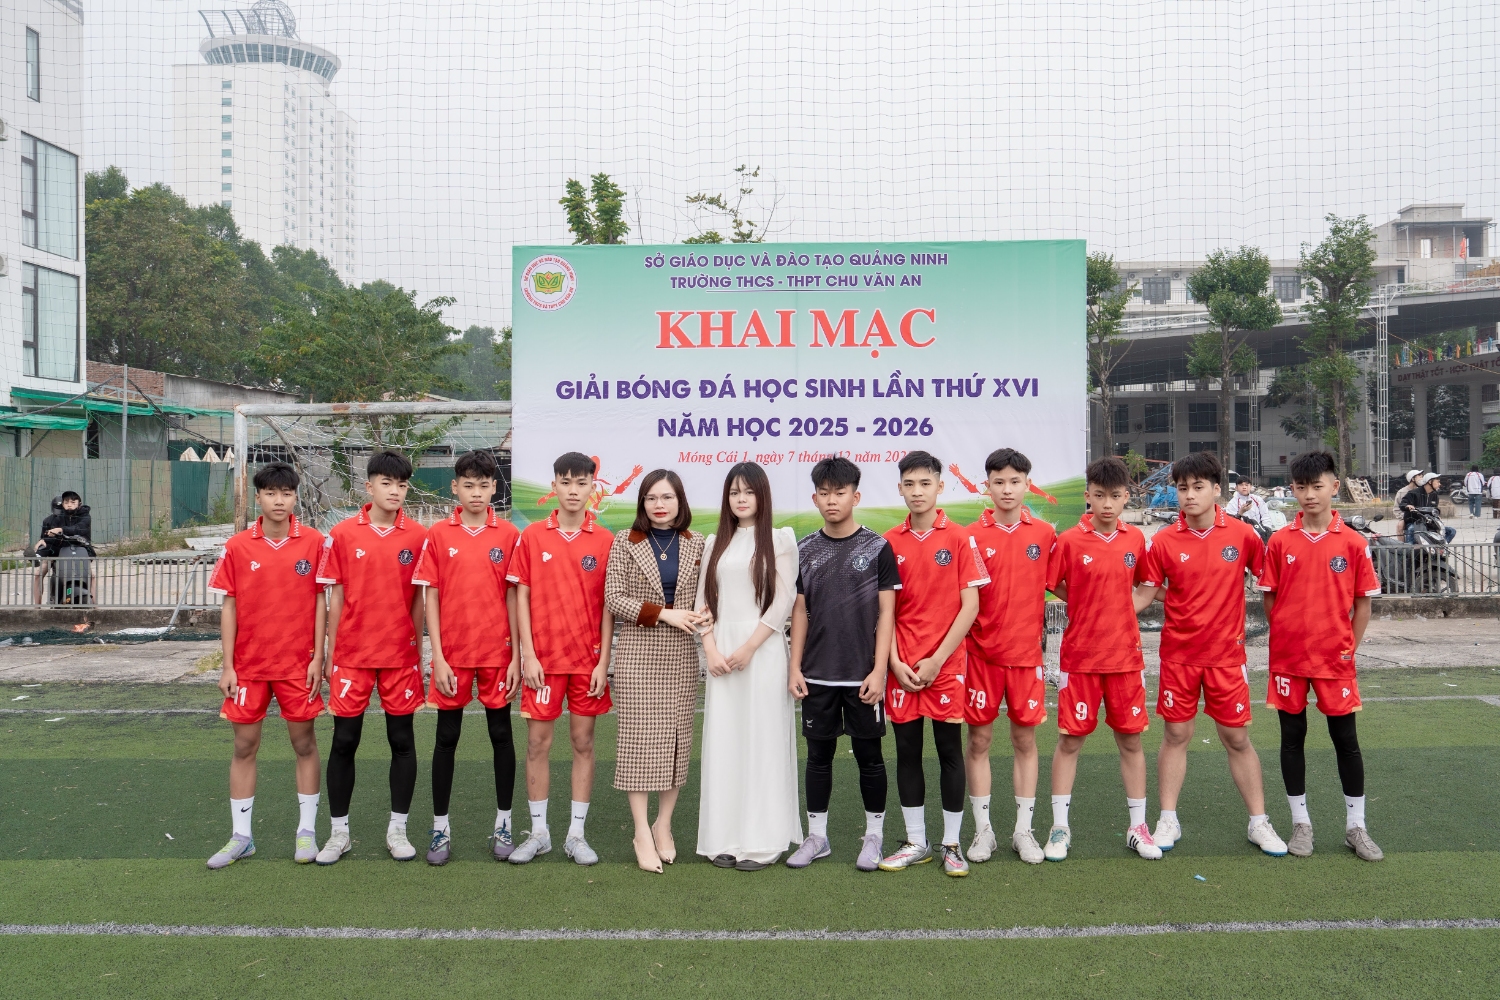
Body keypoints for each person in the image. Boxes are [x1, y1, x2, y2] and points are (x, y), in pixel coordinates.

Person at [1134, 451, 1288, 857]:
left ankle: (1259, 822)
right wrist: (1098, 607)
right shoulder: (1163, 541)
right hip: (1179, 656)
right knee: (1176, 735)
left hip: (1227, 658)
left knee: (1237, 738)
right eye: (1182, 488)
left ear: (1217, 490)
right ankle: (1168, 819)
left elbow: (1270, 581)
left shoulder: (1242, 535)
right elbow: (1145, 592)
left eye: (1198, 487)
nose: (1189, 495)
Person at [1258, 450, 1383, 861]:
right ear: (1292, 490)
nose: (1309, 494)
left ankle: (1356, 827)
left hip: (1335, 660)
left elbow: (1363, 604)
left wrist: (1348, 648)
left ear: (1334, 486)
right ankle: (1301, 824)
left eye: (1317, 486)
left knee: (1346, 740)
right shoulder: (1280, 541)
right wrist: (1287, 634)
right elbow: (1270, 598)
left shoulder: (1353, 542)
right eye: (1301, 487)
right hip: (1289, 660)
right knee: (1292, 738)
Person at [205, 463, 326, 869]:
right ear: (257, 497)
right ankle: (241, 837)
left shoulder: (314, 542)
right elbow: (229, 606)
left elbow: (321, 602)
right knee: (244, 746)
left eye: (286, 493)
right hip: (249, 667)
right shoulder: (238, 546)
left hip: (297, 666)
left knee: (304, 744)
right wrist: (227, 666)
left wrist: (318, 657)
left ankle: (306, 832)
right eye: (271, 493)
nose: (279, 500)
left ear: (295, 497)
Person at [314, 450, 429, 865]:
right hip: (353, 655)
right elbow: (336, 596)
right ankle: (339, 833)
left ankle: (398, 829)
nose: (395, 491)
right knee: (344, 741)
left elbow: (418, 601)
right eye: (387, 483)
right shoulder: (343, 534)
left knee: (402, 740)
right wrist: (331, 651)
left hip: (399, 656)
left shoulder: (418, 537)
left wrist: (416, 649)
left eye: (402, 485)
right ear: (369, 486)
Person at [877, 452, 988, 877]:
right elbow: (884, 611)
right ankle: (915, 841)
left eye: (925, 483)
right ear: (900, 489)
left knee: (949, 752)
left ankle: (952, 844)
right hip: (902, 667)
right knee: (907, 752)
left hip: (945, 666)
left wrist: (937, 660)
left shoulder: (959, 538)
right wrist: (894, 662)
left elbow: (970, 606)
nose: (917, 491)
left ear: (940, 487)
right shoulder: (888, 541)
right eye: (909, 484)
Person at [785, 457, 897, 872]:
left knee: (870, 756)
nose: (832, 500)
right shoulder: (804, 549)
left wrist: (879, 671)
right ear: (815, 498)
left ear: (856, 496)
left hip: (863, 675)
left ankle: (874, 836)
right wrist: (794, 667)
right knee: (818, 756)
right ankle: (817, 837)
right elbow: (799, 611)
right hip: (817, 674)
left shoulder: (878, 548)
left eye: (840, 492)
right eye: (825, 493)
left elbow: (887, 613)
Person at [1043, 455, 1158, 861]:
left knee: (1131, 741)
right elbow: (1052, 582)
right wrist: (1083, 601)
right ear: (1088, 496)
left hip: (1125, 659)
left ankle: (1138, 827)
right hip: (1081, 658)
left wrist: (1125, 608)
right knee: (1070, 740)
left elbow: (1148, 583)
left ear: (1127, 497)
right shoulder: (1070, 540)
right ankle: (1059, 828)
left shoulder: (1135, 539)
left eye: (1115, 496)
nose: (1107, 504)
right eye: (1099, 495)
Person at [411, 450, 522, 865]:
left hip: (497, 653)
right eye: (468, 485)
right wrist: (437, 657)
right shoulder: (439, 534)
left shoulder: (508, 534)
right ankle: (440, 828)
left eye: (484, 485)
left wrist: (517, 656)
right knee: (446, 737)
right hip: (453, 656)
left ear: (495, 488)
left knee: (501, 735)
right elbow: (431, 596)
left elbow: (513, 597)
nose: (476, 493)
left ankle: (504, 823)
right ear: (455, 487)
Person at [507, 452, 616, 865]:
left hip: (587, 662)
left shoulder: (605, 540)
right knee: (538, 743)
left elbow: (608, 606)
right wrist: (528, 655)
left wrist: (603, 662)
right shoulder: (533, 536)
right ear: (554, 485)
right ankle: (539, 833)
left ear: (593, 488)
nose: (573, 490)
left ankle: (576, 835)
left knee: (583, 742)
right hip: (544, 663)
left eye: (581, 483)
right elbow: (521, 595)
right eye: (565, 482)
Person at [696, 462, 802, 870]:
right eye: (734, 492)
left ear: (762, 496)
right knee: (725, 742)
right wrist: (711, 650)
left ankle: (763, 841)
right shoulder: (715, 543)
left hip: (763, 651)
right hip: (721, 653)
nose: (741, 499)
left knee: (763, 741)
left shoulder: (779, 539)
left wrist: (749, 648)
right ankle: (724, 837)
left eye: (748, 491)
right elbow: (703, 602)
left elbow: (782, 602)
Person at [604, 469, 706, 874]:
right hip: (637, 655)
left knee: (677, 740)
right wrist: (664, 613)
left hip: (681, 655)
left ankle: (663, 824)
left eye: (667, 497)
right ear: (642, 503)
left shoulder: (698, 543)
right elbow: (614, 598)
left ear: (680, 501)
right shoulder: (625, 541)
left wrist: (704, 613)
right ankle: (640, 832)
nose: (659, 505)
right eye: (651, 498)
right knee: (639, 742)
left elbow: (708, 595)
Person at [962, 448, 1055, 865]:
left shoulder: (1045, 534)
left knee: (1024, 740)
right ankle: (983, 831)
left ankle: (1023, 831)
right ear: (987, 486)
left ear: (1027, 485)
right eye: (998, 482)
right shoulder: (969, 536)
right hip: (980, 657)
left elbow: (1065, 584)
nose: (1006, 489)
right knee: (979, 740)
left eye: (1015, 481)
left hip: (1025, 657)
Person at [33, 491, 93, 604]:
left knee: (92, 576)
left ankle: (95, 606)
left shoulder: (84, 516)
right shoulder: (54, 519)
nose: (69, 505)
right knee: (38, 574)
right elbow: (47, 536)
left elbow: (80, 528)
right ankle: (37, 607)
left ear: (79, 503)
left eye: (73, 502)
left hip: (79, 550)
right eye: (66, 502)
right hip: (57, 551)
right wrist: (43, 540)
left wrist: (61, 530)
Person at [1400, 473, 1456, 543]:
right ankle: (1409, 548)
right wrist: (1407, 506)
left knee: (1451, 531)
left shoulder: (1434, 495)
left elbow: (1434, 509)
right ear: (1430, 482)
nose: (1440, 484)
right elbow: (1402, 504)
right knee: (1412, 529)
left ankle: (1439, 547)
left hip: (1429, 523)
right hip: (1415, 523)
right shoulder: (1413, 493)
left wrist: (1436, 516)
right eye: (1438, 482)